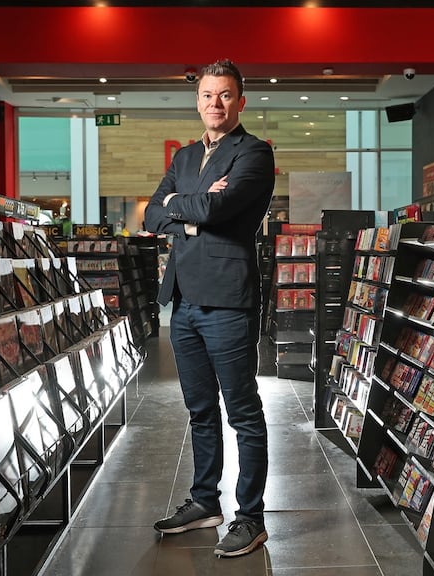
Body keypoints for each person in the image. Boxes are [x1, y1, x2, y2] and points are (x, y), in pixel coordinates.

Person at [145, 59, 274, 558]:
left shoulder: (255, 153)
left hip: (228, 301)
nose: (214, 104)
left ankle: (251, 516)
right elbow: (154, 213)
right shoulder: (182, 156)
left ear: (240, 101)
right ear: (196, 101)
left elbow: (219, 209)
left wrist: (185, 207)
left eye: (224, 95)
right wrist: (189, 207)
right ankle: (205, 502)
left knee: (242, 412)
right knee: (199, 410)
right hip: (184, 303)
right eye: (206, 95)